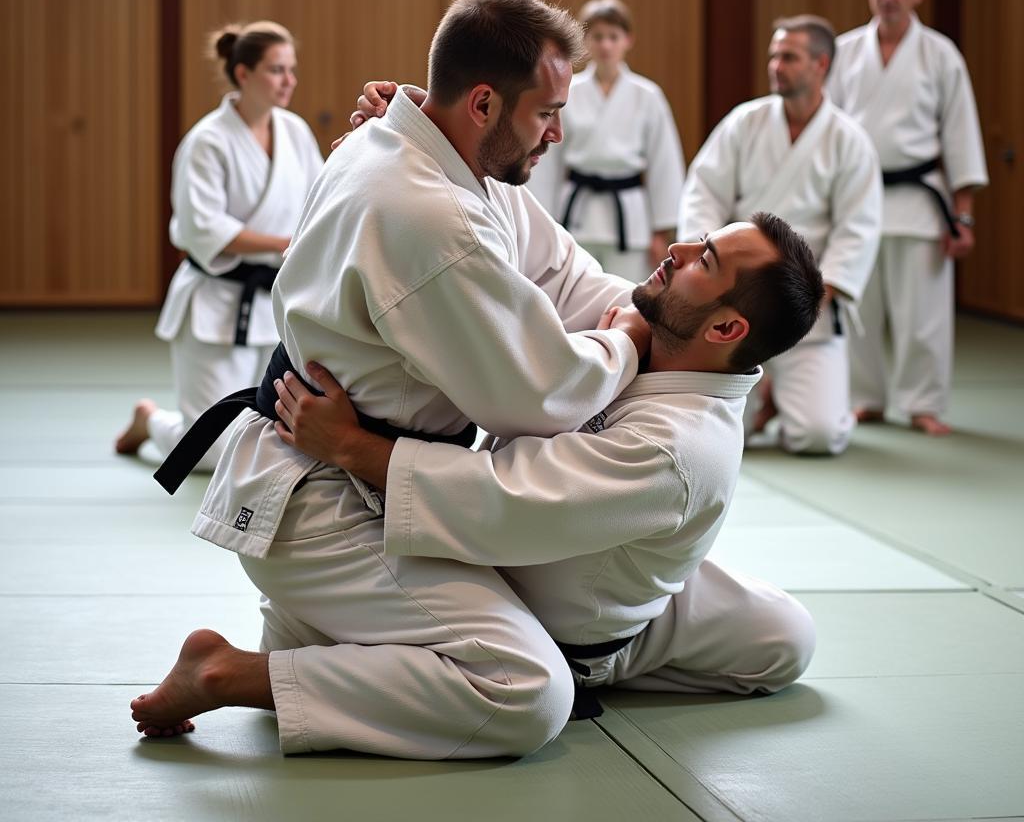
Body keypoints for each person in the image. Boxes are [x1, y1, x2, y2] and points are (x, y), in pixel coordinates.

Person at [132, 0, 649, 759]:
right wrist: (636, 341)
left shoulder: (409, 146)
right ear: (482, 104)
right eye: (545, 113)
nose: (557, 134)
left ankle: (310, 650)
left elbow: (563, 273)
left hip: (340, 478)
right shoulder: (429, 214)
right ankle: (232, 674)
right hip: (324, 510)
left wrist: (642, 302)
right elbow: (539, 398)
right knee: (529, 689)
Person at [130, 214, 822, 742]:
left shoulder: (680, 447)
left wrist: (350, 445)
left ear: (728, 330)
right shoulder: (647, 319)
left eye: (704, 260)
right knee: (787, 634)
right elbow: (537, 241)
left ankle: (242, 673)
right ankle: (350, 644)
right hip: (585, 576)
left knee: (530, 693)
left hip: (553, 580)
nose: (676, 251)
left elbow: (502, 500)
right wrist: (426, 130)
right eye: (700, 240)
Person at [115, 21, 324, 469]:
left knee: (272, 439)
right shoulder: (206, 141)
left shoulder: (296, 133)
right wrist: (288, 242)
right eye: (276, 70)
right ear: (243, 73)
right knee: (209, 450)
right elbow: (203, 229)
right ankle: (149, 420)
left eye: (292, 69)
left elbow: (318, 201)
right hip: (214, 303)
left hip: (275, 305)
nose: (289, 80)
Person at [678, 16, 881, 455]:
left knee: (817, 436)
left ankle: (786, 397)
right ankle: (763, 399)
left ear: (820, 64)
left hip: (807, 307)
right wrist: (708, 266)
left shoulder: (849, 141)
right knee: (726, 433)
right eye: (773, 55)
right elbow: (703, 194)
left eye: (788, 57)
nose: (776, 65)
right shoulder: (745, 123)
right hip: (736, 301)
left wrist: (811, 292)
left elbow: (858, 228)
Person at [830, 0, 989, 436]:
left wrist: (962, 216)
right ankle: (865, 398)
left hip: (920, 200)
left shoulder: (940, 54)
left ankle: (923, 403)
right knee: (860, 306)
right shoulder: (844, 51)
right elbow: (828, 128)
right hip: (859, 196)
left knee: (923, 313)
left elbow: (960, 135)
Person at [527, 0, 686, 281]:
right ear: (585, 41)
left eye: (613, 37)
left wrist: (660, 231)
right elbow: (549, 159)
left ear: (628, 40)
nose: (605, 45)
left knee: (628, 293)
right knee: (574, 290)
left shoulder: (647, 96)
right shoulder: (568, 90)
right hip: (577, 213)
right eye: (597, 37)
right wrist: (544, 221)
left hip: (629, 215)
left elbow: (664, 163)